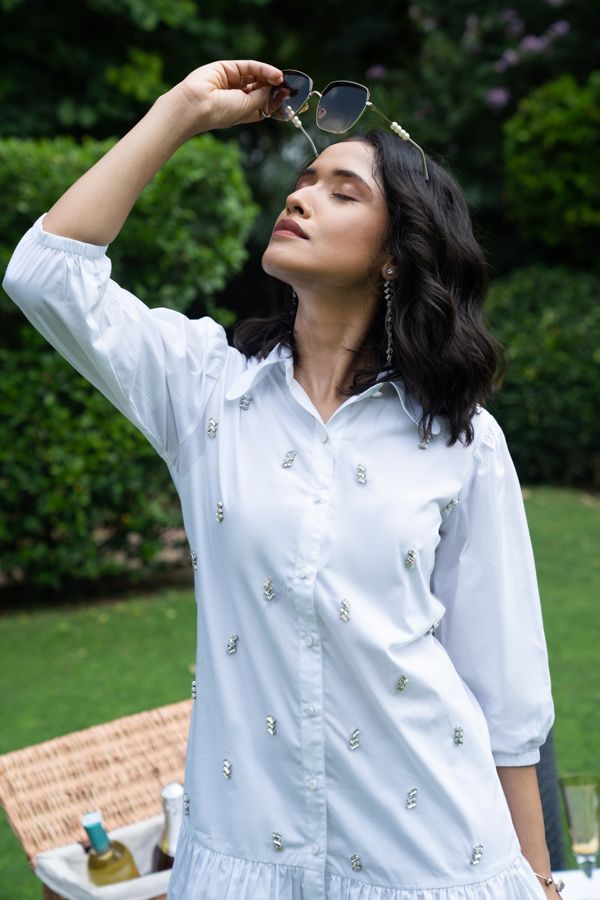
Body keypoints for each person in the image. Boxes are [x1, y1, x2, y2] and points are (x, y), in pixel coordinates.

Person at [2, 59, 562, 899]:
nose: (301, 198)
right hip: (244, 863)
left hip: (432, 861)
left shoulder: (461, 439)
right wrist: (181, 110)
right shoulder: (204, 389)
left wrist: (539, 878)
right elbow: (46, 274)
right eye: (303, 181)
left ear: (395, 256)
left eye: (342, 191)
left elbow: (504, 689)